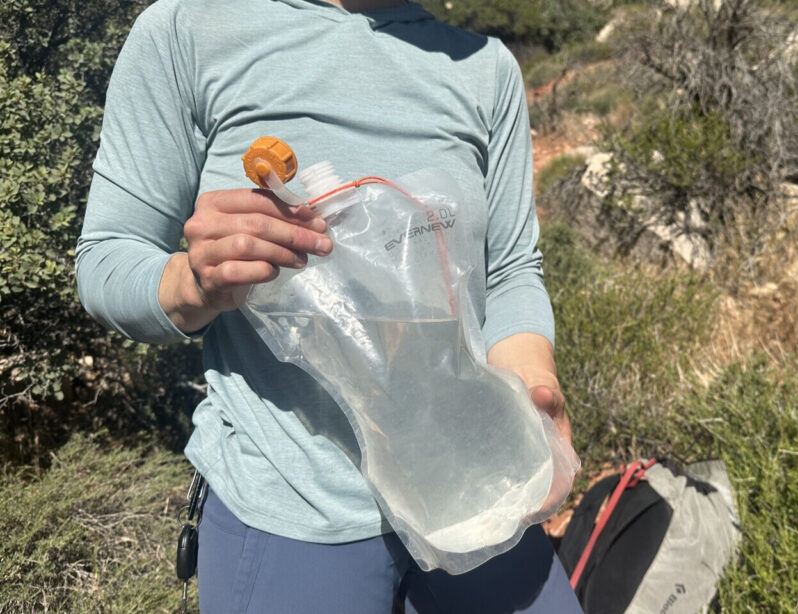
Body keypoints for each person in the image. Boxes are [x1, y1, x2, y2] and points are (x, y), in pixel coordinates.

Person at [75, 0, 581, 611]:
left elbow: (510, 272)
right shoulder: (188, 29)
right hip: (294, 513)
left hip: (478, 489)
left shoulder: (486, 67)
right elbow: (107, 262)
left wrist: (534, 381)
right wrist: (194, 281)